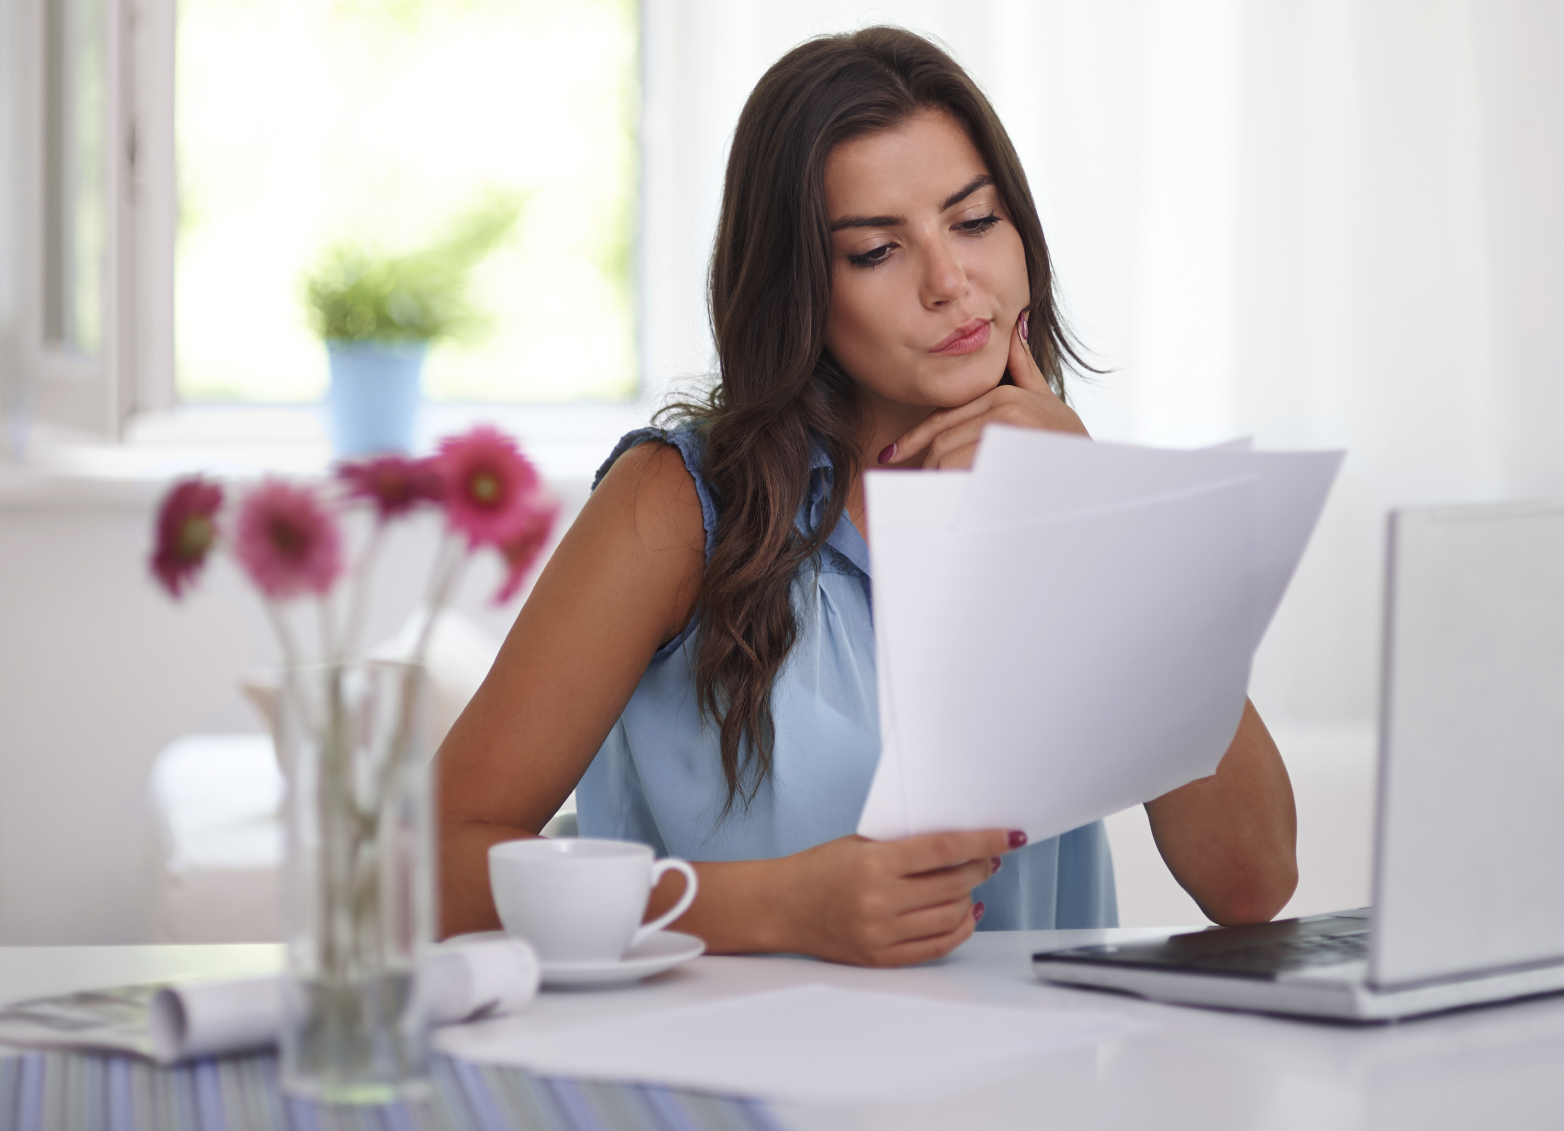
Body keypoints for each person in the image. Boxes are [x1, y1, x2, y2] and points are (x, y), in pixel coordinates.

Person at [436, 26, 1297, 967]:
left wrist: (1097, 520)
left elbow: (1251, 881)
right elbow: (429, 866)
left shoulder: (1063, 495)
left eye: (974, 223)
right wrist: (778, 907)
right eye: (879, 250)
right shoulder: (677, 504)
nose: (950, 283)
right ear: (798, 287)